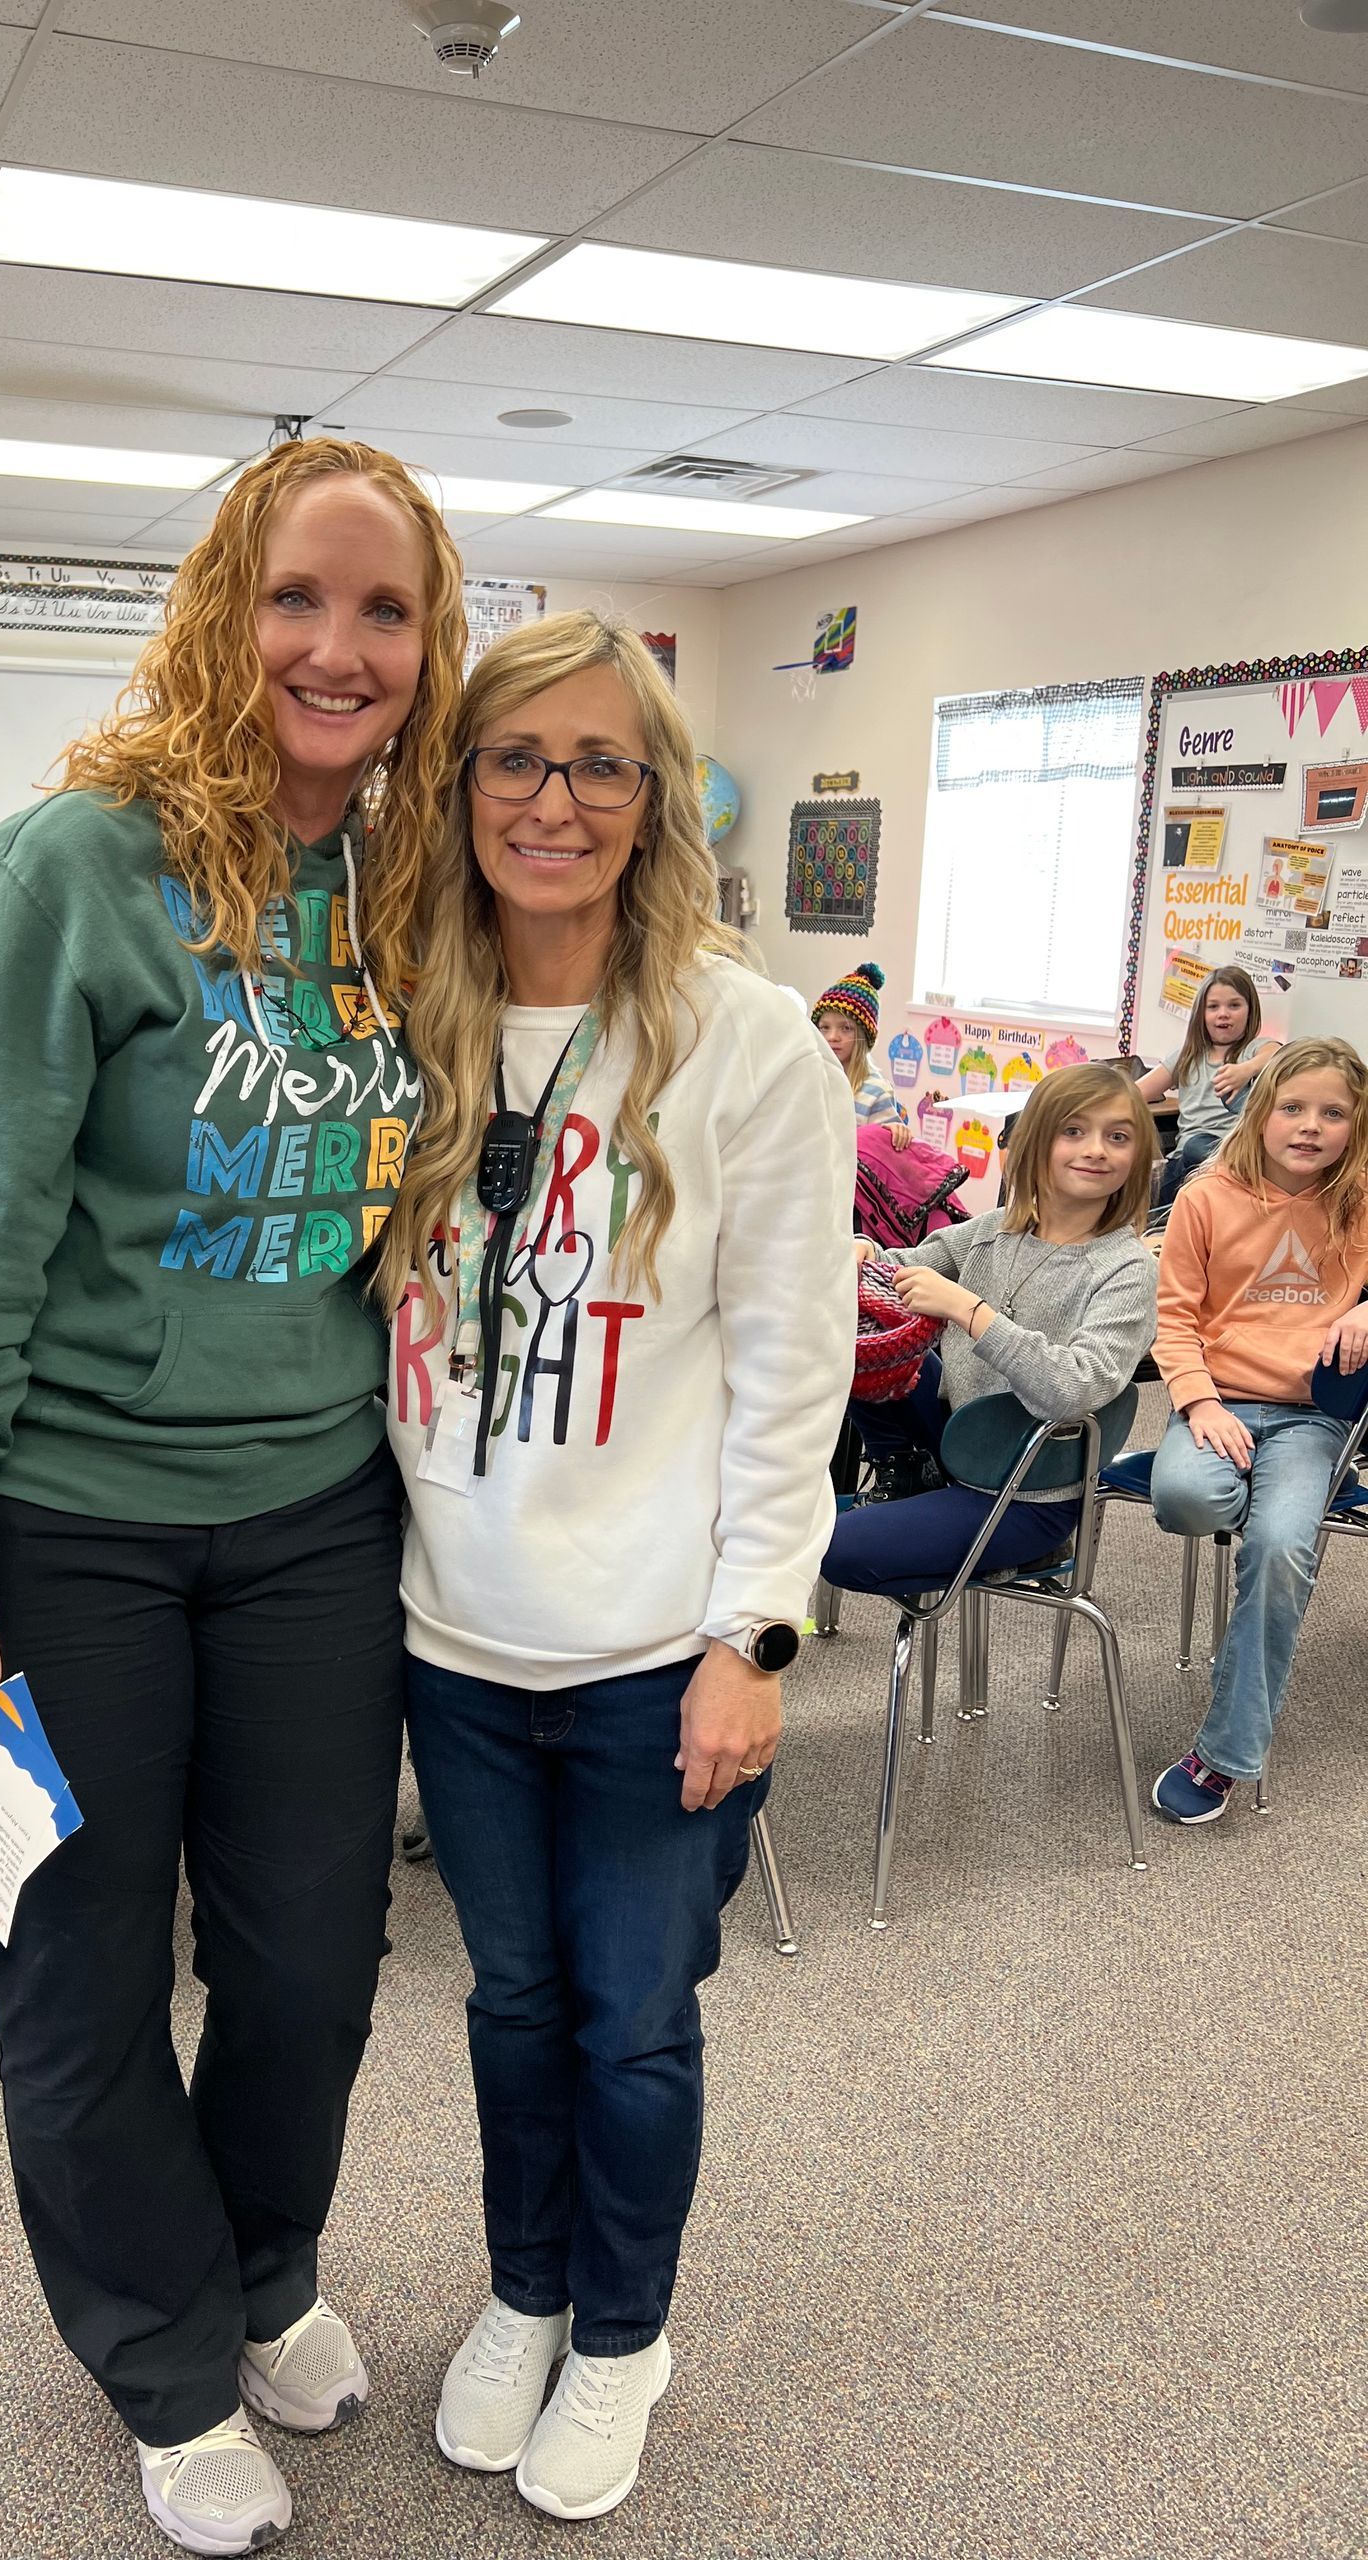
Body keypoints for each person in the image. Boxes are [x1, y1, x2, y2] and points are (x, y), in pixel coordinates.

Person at [0, 437, 467, 2557]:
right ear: (224, 606)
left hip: (313, 1514)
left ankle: (269, 2255)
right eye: (298, 597)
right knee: (84, 1966)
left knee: (312, 1951)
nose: (338, 645)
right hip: (63, 1528)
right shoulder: (74, 865)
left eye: (384, 611)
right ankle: (162, 2345)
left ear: (427, 644)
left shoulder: (409, 890)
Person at [375, 612, 855, 2522]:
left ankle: (627, 2329)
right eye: (515, 760)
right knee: (506, 2003)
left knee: (632, 2016)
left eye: (599, 764)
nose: (554, 801)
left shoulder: (742, 1044)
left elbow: (791, 1373)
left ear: (654, 800)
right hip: (457, 1640)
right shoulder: (405, 1014)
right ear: (460, 784)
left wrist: (759, 1636)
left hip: (665, 1647)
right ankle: (528, 2288)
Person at [822, 1064, 1160, 1590]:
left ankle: (1013, 1551)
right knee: (852, 1328)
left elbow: (1074, 1391)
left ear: (1136, 1157)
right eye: (1073, 1131)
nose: (1096, 1149)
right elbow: (904, 1268)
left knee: (832, 1547)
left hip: (1027, 1490)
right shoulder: (993, 1231)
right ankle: (906, 1472)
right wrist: (868, 1252)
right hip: (955, 1443)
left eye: (1117, 1137)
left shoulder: (1127, 1268)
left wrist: (971, 1312)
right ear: (1033, 1142)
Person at [1146, 1037, 1368, 1823]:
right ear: (1260, 1111)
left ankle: (1224, 1755)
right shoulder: (1206, 1195)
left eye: (1333, 1113)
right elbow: (1171, 1320)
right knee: (1185, 1500)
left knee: (1278, 1548)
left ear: (1354, 1124)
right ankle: (1280, 1520)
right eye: (1294, 1107)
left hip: (1312, 1419)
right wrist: (1200, 1404)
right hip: (1219, 1401)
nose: (1311, 1127)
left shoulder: (1359, 1195)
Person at [1135, 965, 1278, 1211]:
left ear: (1250, 1011)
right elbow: (1135, 1093)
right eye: (1213, 1007)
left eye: (1234, 1005)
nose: (1224, 1014)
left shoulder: (1254, 1050)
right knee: (1172, 1164)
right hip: (1187, 1160)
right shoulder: (1187, 1056)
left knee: (1202, 1151)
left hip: (1234, 1157)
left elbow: (1279, 1053)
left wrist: (1246, 1069)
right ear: (1201, 1013)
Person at [814, 961, 910, 1147]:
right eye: (824, 1027)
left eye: (846, 1028)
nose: (833, 1037)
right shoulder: (813, 1078)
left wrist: (897, 1133)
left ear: (862, 1035)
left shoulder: (875, 1092)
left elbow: (884, 1154)